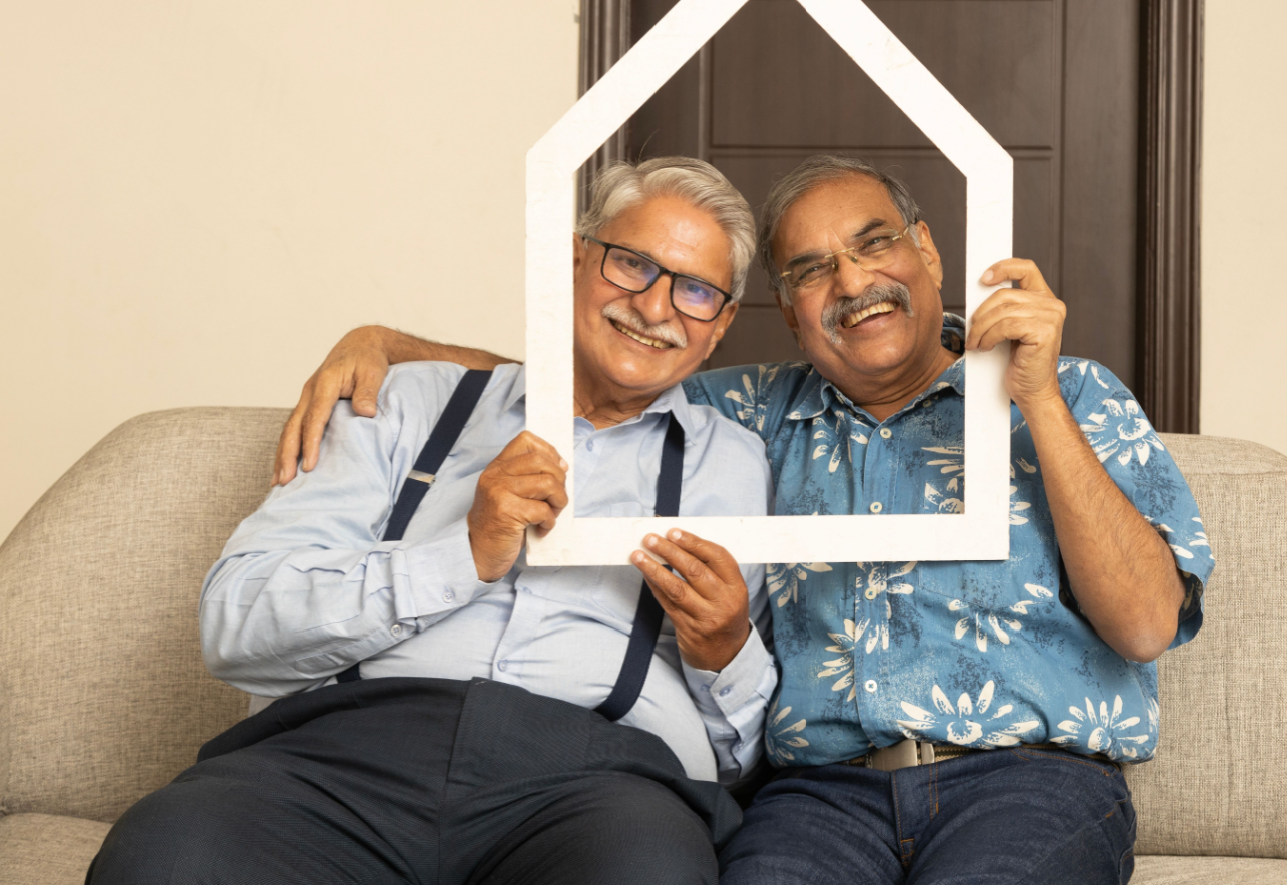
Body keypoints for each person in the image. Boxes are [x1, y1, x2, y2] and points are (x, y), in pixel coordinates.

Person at [279, 155, 1217, 885]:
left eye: (873, 244)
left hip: (1030, 780)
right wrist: (390, 347)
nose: (851, 282)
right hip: (818, 795)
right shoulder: (749, 414)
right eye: (810, 270)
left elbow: (1142, 625)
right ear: (785, 312)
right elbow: (614, 360)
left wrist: (1039, 402)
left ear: (928, 254)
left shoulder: (1073, 391)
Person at [88, 158, 779, 885]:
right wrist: (463, 555)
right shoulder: (399, 404)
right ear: (573, 260)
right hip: (341, 759)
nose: (656, 306)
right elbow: (235, 627)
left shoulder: (733, 464)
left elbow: (737, 757)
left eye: (696, 289)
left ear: (723, 322)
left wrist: (727, 650)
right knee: (167, 854)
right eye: (633, 263)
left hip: (598, 785)